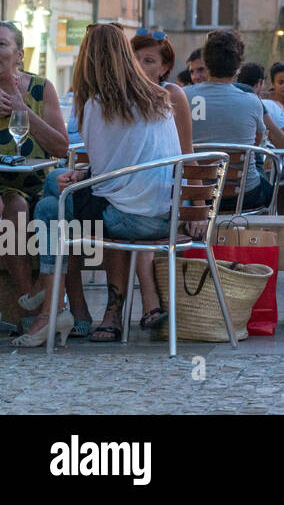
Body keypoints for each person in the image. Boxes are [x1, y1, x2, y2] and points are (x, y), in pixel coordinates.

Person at [17, 24, 181, 347]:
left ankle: (53, 305)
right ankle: (67, 310)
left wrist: (80, 176)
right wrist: (80, 176)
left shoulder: (95, 104)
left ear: (87, 59)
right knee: (56, 184)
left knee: (50, 206)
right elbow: (123, 163)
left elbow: (105, 176)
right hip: (165, 215)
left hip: (128, 218)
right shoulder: (159, 97)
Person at [187, 31, 284, 212]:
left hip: (198, 194)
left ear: (206, 62)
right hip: (244, 194)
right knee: (274, 191)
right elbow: (259, 140)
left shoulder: (185, 97)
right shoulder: (252, 101)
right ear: (238, 66)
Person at [0, 20, 70, 326]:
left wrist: (24, 111)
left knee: (18, 205)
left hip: (36, 183)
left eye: (1, 44)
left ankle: (29, 304)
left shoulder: (41, 88)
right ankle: (29, 299)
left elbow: (60, 147)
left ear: (18, 53)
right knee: (10, 206)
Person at [127, 30, 194, 332]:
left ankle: (150, 303)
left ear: (165, 67)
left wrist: (198, 206)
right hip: (134, 192)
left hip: (168, 194)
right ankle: (149, 305)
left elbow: (186, 153)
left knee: (139, 214)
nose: (140, 65)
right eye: (135, 58)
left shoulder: (172, 94)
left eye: (149, 60)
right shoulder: (120, 96)